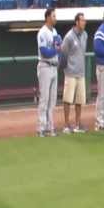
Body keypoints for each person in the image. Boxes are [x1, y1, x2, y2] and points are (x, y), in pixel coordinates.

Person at [37, 8, 63, 137]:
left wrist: (57, 52)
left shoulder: (55, 31)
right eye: (53, 16)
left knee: (52, 99)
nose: (55, 18)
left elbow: (58, 50)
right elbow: (45, 52)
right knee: (44, 98)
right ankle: (41, 128)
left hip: (53, 67)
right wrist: (56, 49)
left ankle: (50, 127)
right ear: (47, 17)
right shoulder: (42, 32)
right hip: (45, 66)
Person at [61, 13, 88, 134]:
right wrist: (67, 69)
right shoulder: (69, 37)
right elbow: (63, 54)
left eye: (84, 20)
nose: (84, 22)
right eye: (82, 20)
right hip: (71, 73)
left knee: (79, 100)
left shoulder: (85, 35)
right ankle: (66, 125)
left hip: (81, 73)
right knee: (67, 100)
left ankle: (77, 124)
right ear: (76, 22)